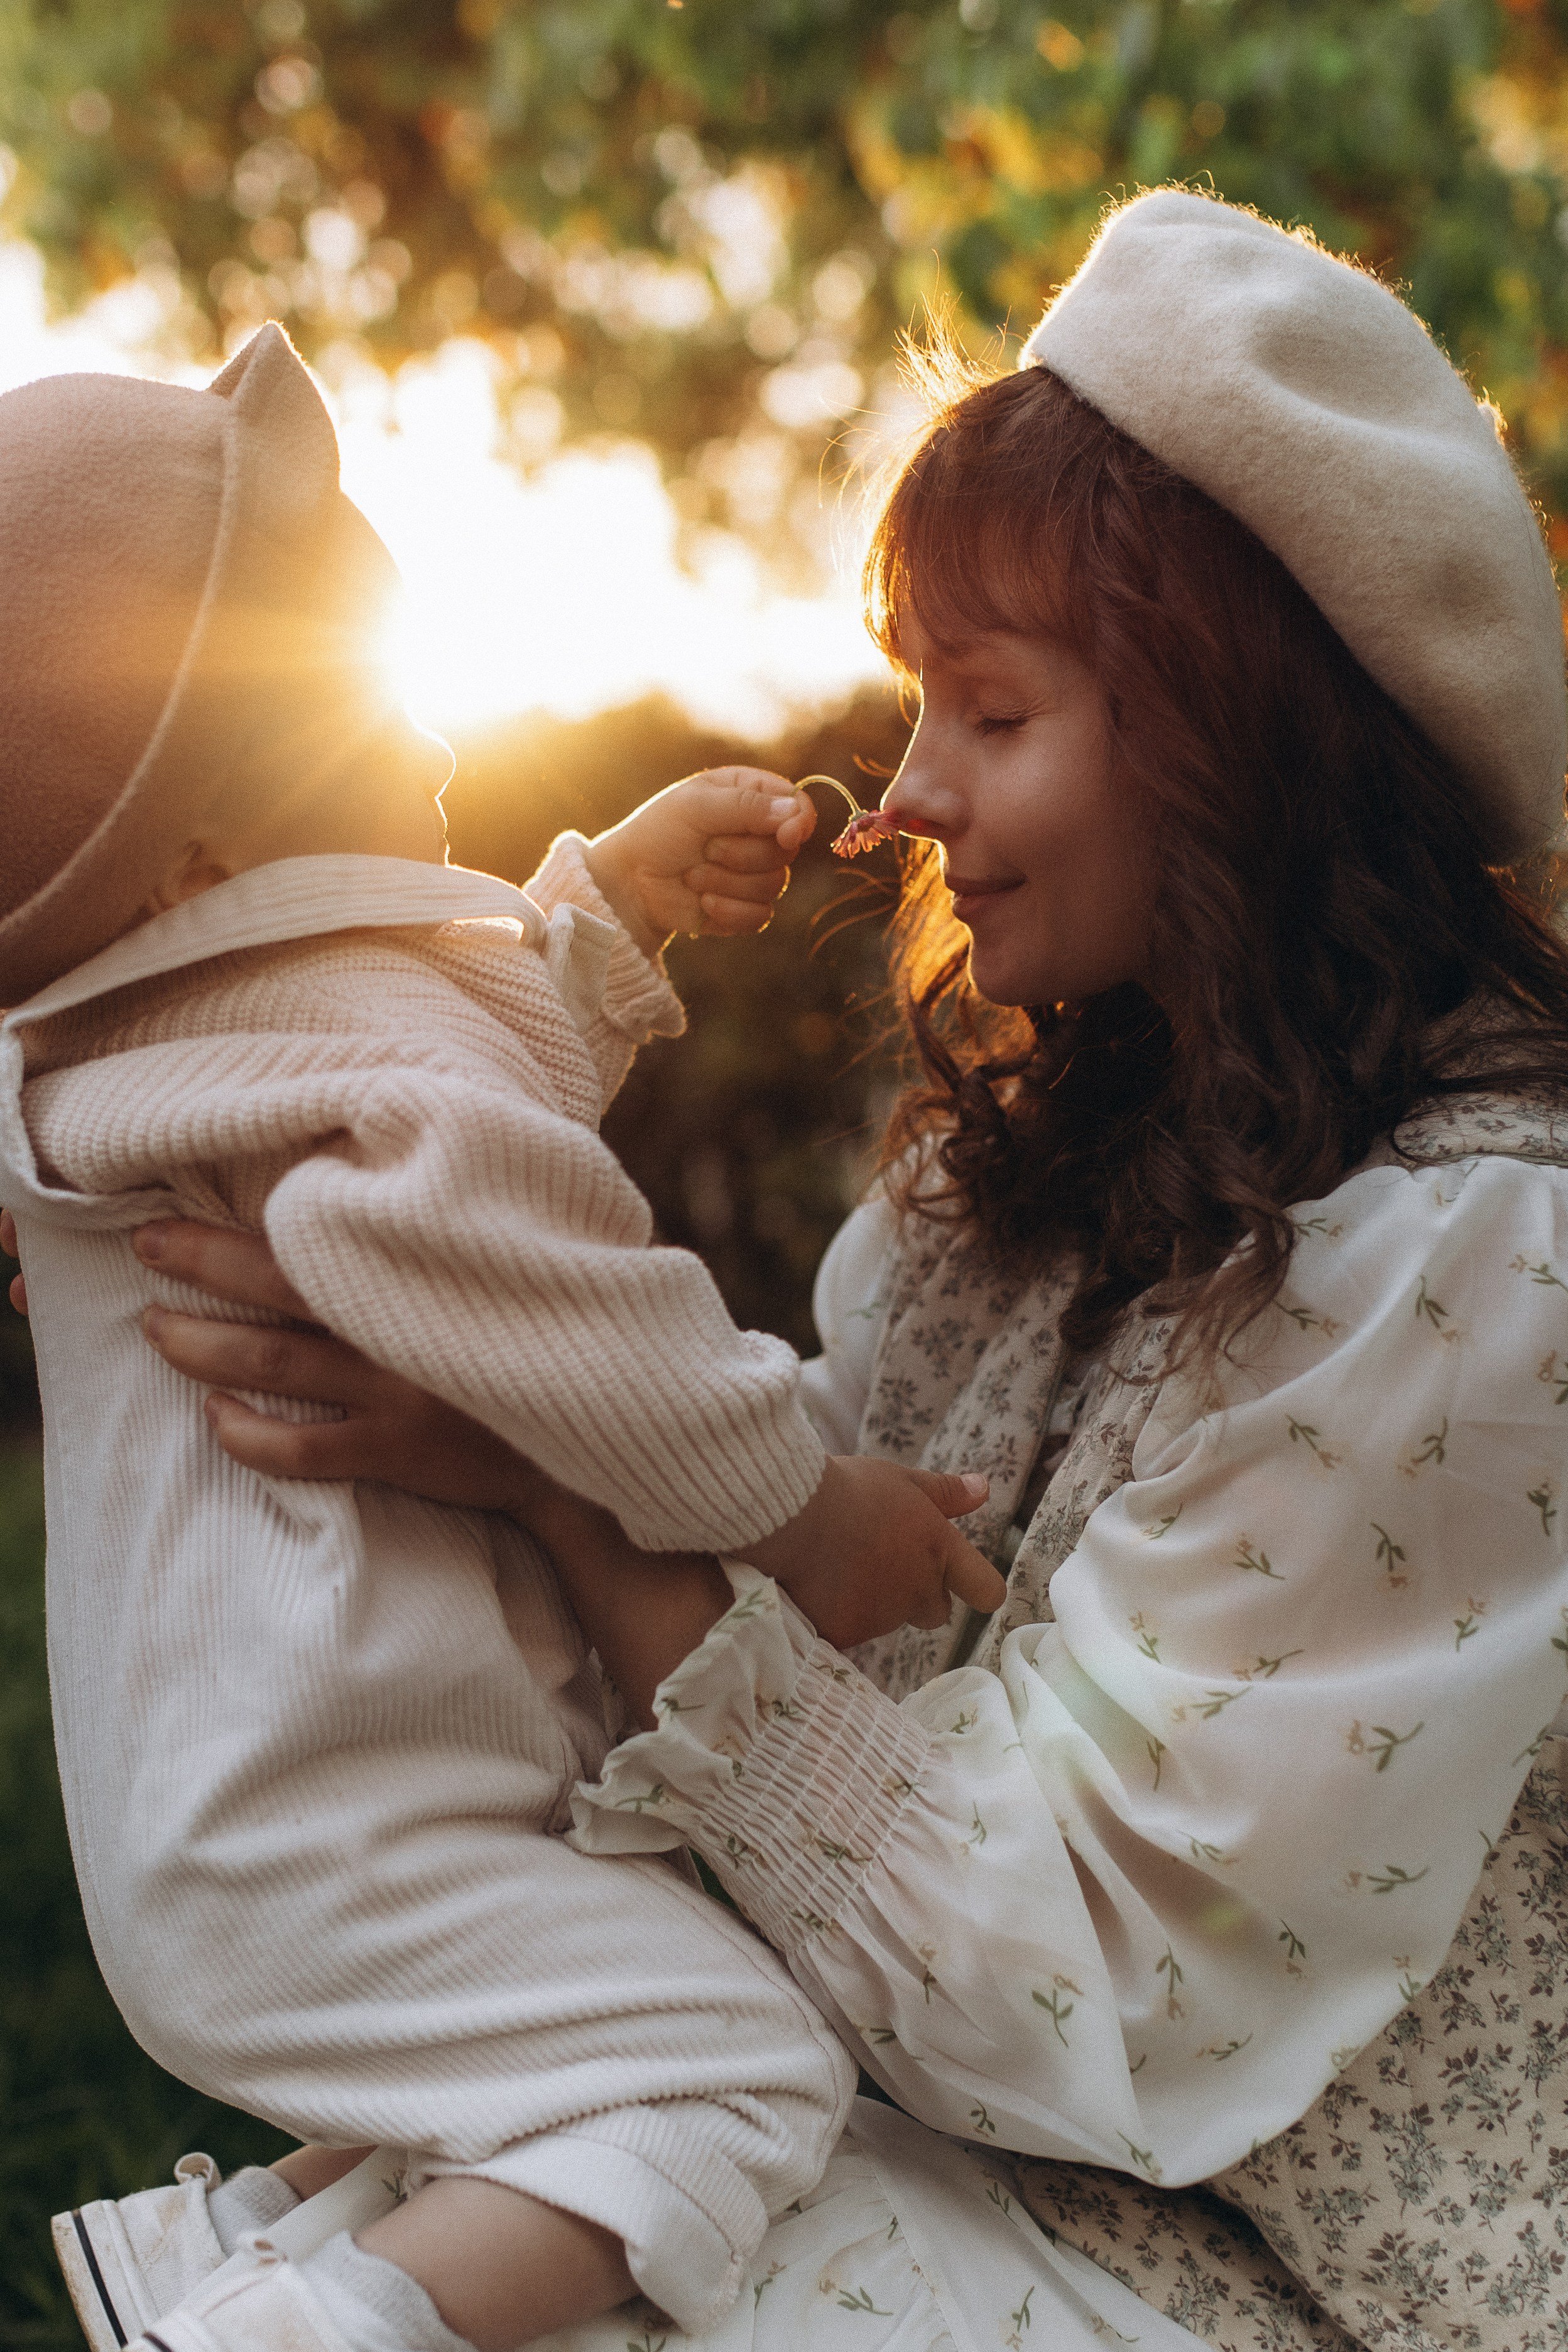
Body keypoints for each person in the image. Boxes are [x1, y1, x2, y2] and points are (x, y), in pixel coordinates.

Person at [86, 190, 1568, 2352]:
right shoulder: (1020, 1190)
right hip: (947, 2116)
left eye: (991, 711)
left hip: (1287, 2269)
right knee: (503, 2194)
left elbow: (1073, 1989)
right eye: (916, 704)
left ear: (1229, 734)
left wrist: (552, 1470)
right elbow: (794, 1652)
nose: (912, 794)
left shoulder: (1479, 1265)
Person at [0, 326, 1011, 2352]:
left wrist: (601, 921)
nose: (422, 727)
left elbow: (422, 1052)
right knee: (720, 2072)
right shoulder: (348, 1064)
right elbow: (574, 1315)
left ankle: (208, 2265)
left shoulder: (169, 1036)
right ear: (200, 859)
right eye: (350, 704)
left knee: (546, 2060)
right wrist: (810, 1517)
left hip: (248, 1829)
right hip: (335, 1829)